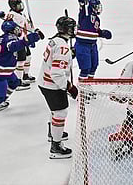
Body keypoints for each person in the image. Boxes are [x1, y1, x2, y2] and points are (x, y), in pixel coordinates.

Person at [38, 16, 78, 159]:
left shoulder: (56, 40)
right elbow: (57, 73)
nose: (75, 29)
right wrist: (69, 87)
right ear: (67, 30)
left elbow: (55, 59)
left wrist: (69, 54)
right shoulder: (63, 47)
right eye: (73, 27)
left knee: (55, 110)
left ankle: (53, 132)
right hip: (52, 85)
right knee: (60, 112)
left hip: (44, 80)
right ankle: (56, 146)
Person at [74, 0, 112, 79]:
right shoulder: (85, 12)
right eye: (96, 6)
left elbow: (94, 30)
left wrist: (102, 33)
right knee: (85, 69)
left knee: (93, 67)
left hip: (92, 45)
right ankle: (82, 90)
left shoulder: (97, 19)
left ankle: (89, 88)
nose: (98, 8)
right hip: (82, 45)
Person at [6, 0, 40, 89]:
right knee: (21, 59)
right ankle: (18, 81)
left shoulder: (19, 14)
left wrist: (33, 32)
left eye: (21, 4)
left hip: (24, 39)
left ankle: (25, 74)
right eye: (18, 5)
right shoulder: (13, 15)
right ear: (13, 7)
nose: (20, 6)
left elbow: (27, 26)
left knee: (28, 57)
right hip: (18, 40)